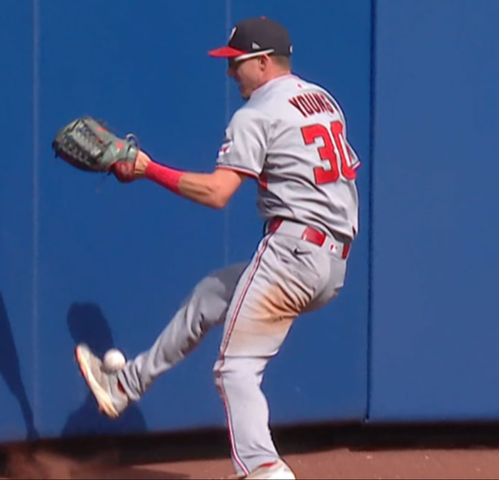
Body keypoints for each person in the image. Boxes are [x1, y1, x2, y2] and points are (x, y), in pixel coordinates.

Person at [74, 16, 361, 480]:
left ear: (264, 63)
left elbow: (217, 193)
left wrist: (146, 168)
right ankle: (125, 383)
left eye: (238, 63)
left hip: (292, 251)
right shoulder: (322, 99)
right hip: (332, 261)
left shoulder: (256, 114)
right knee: (212, 292)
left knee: (235, 369)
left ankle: (264, 468)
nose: (231, 74)